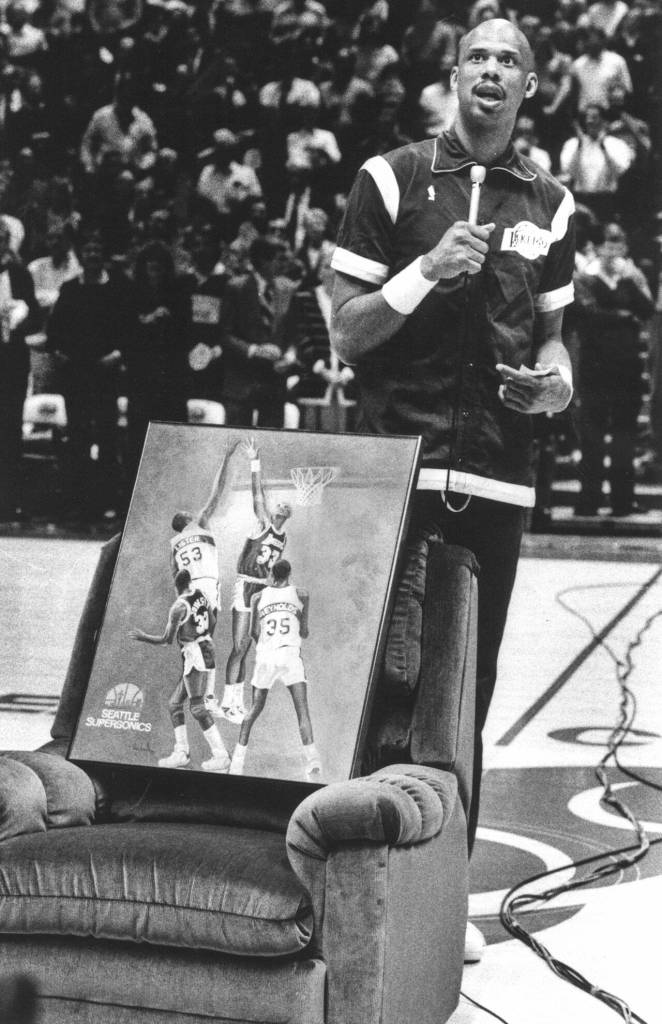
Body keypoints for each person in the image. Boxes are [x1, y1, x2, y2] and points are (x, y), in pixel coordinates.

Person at [330, 17, 576, 964]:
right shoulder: (390, 178)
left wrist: (557, 386)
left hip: (497, 478)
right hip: (395, 470)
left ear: (529, 87)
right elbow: (348, 332)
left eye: (510, 59)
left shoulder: (551, 203)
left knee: (461, 697)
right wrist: (424, 274)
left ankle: (440, 902)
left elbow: (554, 340)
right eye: (479, 55)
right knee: (372, 686)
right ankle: (348, 885)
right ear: (454, 74)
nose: (492, 70)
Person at [573, 221, 655, 516]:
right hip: (595, 364)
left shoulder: (630, 276)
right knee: (592, 434)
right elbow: (587, 314)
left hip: (626, 366)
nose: (613, 251)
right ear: (597, 248)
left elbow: (646, 310)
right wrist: (624, 316)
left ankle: (623, 500)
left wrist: (634, 281)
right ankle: (589, 499)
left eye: (618, 245)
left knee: (625, 435)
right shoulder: (585, 277)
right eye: (608, 245)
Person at [129, 568, 232, 773]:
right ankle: (181, 753)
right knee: (174, 704)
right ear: (190, 582)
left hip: (195, 654)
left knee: (197, 708)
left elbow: (166, 640)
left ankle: (221, 756)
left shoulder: (178, 607)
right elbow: (212, 620)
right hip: (205, 648)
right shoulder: (200, 595)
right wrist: (202, 637)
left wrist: (143, 637)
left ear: (176, 587)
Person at [229, 558, 321, 778]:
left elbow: (253, 632)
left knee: (254, 709)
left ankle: (237, 762)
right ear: (289, 574)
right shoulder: (302, 594)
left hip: (266, 657)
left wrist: (267, 644)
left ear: (272, 574)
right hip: (290, 656)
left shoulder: (257, 597)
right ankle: (313, 760)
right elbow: (304, 632)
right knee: (302, 711)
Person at [224, 438, 292, 723]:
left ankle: (236, 702)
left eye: (285, 506)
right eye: (279, 504)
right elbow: (257, 495)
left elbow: (273, 570)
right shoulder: (262, 523)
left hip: (261, 588)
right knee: (239, 646)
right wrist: (255, 462)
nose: (281, 506)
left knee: (248, 648)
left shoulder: (283, 537)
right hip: (245, 584)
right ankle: (228, 702)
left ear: (286, 515)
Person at [170, 438, 241, 709]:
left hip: (188, 592)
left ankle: (200, 693)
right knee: (207, 640)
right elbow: (217, 491)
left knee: (198, 641)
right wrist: (226, 458)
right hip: (208, 585)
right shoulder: (200, 522)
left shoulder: (174, 545)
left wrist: (182, 604)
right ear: (187, 520)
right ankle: (208, 696)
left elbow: (175, 577)